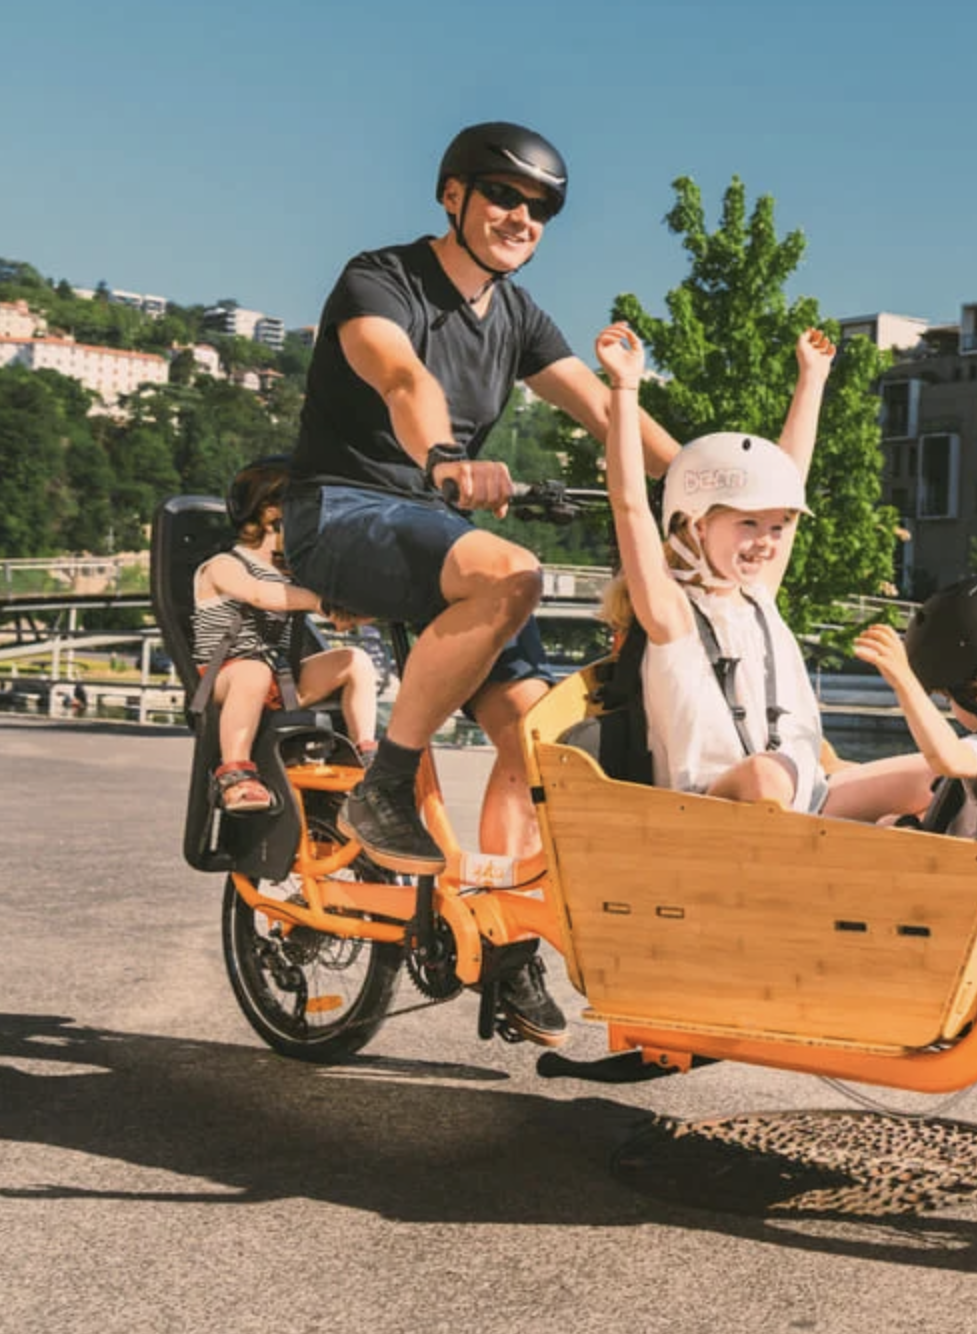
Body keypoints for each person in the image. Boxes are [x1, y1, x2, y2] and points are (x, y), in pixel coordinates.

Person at [283, 121, 688, 1047]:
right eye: (504, 195)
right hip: (340, 512)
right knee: (512, 571)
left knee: (543, 743)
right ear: (453, 195)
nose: (521, 217)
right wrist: (442, 455)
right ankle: (383, 785)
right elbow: (402, 377)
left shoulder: (520, 317)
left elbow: (608, 415)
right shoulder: (380, 279)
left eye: (540, 208)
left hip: (435, 534)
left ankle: (504, 948)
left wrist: (716, 485)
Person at [596, 322, 936, 819]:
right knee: (765, 775)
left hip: (803, 797)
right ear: (696, 525)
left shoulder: (756, 595)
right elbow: (628, 505)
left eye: (777, 528)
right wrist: (625, 387)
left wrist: (812, 380)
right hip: (712, 812)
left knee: (933, 778)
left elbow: (790, 475)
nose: (766, 542)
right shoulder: (673, 614)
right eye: (748, 523)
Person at [193, 458, 379, 814]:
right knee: (253, 671)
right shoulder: (223, 566)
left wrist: (357, 608)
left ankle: (366, 755)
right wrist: (319, 602)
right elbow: (261, 594)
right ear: (270, 512)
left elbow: (334, 605)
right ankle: (234, 773)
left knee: (355, 661)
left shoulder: (293, 572)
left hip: (282, 681)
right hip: (224, 678)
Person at [850, 572, 977, 839]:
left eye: (948, 700)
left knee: (885, 823)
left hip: (955, 861)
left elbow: (948, 758)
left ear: (976, 694)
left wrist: (904, 680)